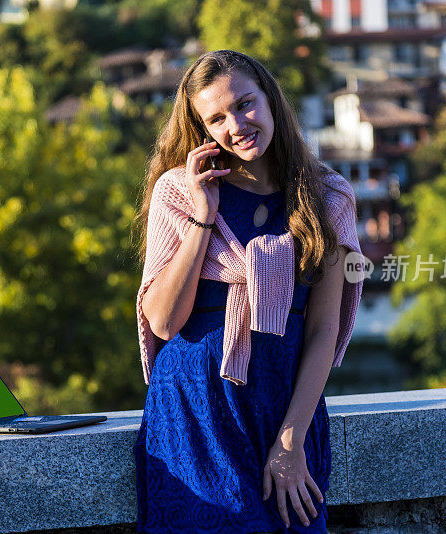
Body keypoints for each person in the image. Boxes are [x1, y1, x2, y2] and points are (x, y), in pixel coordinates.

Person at [133, 50, 363, 533]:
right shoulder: (178, 190)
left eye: (244, 104)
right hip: (196, 417)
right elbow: (163, 322)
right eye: (215, 118)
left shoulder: (329, 197)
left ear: (271, 99)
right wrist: (202, 215)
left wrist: (290, 442)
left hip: (286, 416)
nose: (235, 124)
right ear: (201, 131)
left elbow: (324, 329)